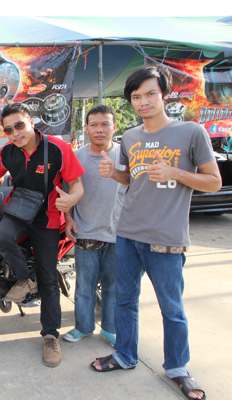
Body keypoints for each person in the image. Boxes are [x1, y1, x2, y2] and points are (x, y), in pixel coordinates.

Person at [91, 67, 221, 400]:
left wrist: (175, 172)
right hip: (127, 233)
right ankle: (124, 354)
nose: (143, 102)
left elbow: (213, 181)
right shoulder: (130, 138)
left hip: (166, 238)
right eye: (136, 97)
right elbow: (132, 179)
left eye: (150, 94)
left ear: (164, 94)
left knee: (171, 308)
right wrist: (114, 173)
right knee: (124, 300)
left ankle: (178, 368)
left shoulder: (191, 132)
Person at [0, 102, 84, 368]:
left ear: (31, 121)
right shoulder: (7, 152)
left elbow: (76, 185)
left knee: (48, 278)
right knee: (2, 236)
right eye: (8, 130)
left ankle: (50, 336)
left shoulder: (57, 148)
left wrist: (71, 200)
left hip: (47, 217)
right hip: (18, 209)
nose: (15, 133)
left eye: (19, 126)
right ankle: (25, 280)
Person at [62, 105, 125, 347]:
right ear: (86, 128)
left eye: (105, 124)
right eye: (94, 125)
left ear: (114, 127)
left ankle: (110, 329)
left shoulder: (126, 155)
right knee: (84, 287)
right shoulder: (76, 157)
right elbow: (67, 191)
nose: (100, 130)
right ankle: (83, 327)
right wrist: (68, 218)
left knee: (113, 287)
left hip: (118, 234)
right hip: (86, 232)